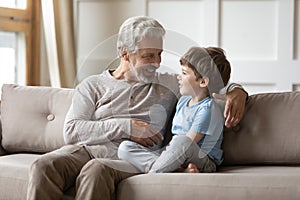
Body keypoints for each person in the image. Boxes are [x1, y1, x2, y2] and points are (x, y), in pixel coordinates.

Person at [26, 16, 248, 200]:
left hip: (131, 158)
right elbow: (72, 131)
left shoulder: (169, 83)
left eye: (159, 54)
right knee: (43, 166)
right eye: (148, 56)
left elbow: (208, 80)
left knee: (95, 171)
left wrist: (237, 92)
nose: (157, 62)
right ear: (125, 54)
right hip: (85, 150)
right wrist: (127, 127)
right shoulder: (92, 85)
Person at [118, 46, 230, 173]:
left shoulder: (208, 109)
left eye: (184, 73)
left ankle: (155, 172)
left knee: (182, 141)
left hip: (203, 161)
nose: (178, 76)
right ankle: (176, 171)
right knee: (125, 147)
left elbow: (188, 143)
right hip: (177, 155)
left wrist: (168, 155)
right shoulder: (182, 101)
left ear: (203, 82)